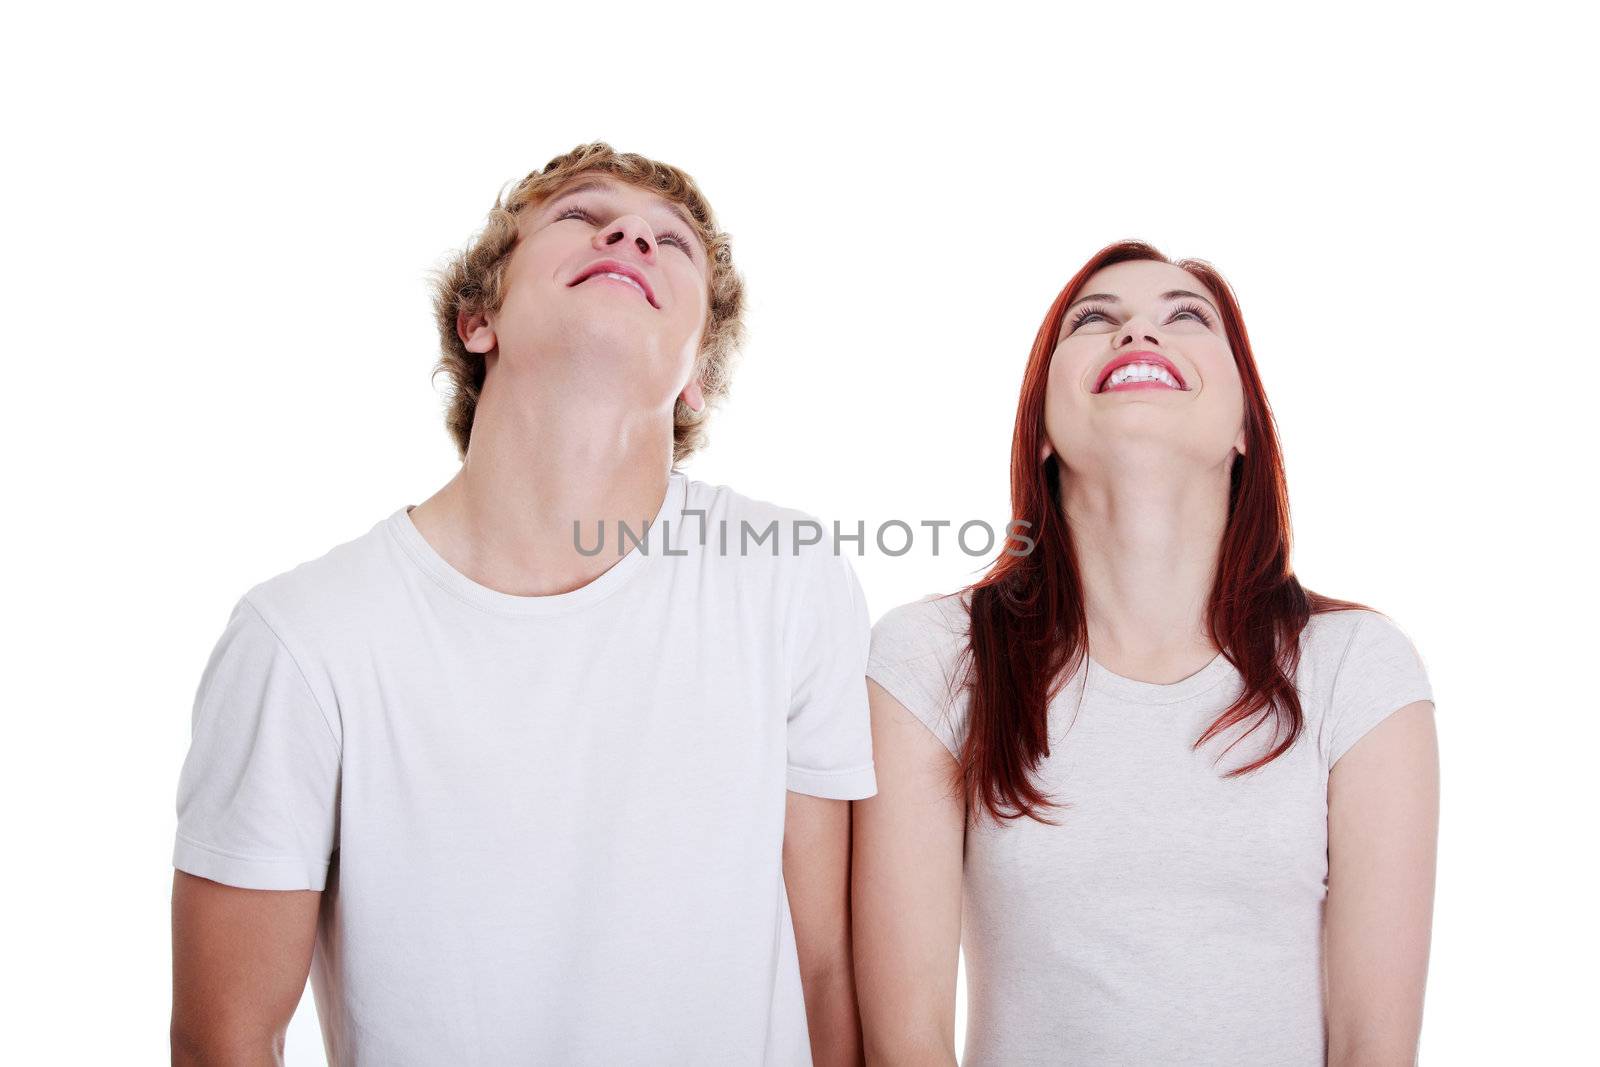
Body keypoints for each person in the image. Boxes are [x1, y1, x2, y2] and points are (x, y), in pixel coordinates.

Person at [170, 143, 875, 1065]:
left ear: (697, 373)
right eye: (580, 218)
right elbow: (226, 1036)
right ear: (477, 320)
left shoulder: (789, 581)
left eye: (673, 243)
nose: (628, 234)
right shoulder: (303, 640)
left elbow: (828, 969)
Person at [853, 241, 1439, 1065]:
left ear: (1243, 425)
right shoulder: (932, 657)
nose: (1138, 334)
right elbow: (904, 1036)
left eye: (1185, 316)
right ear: (1044, 428)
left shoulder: (1359, 669)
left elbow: (1372, 1045)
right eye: (1095, 319)